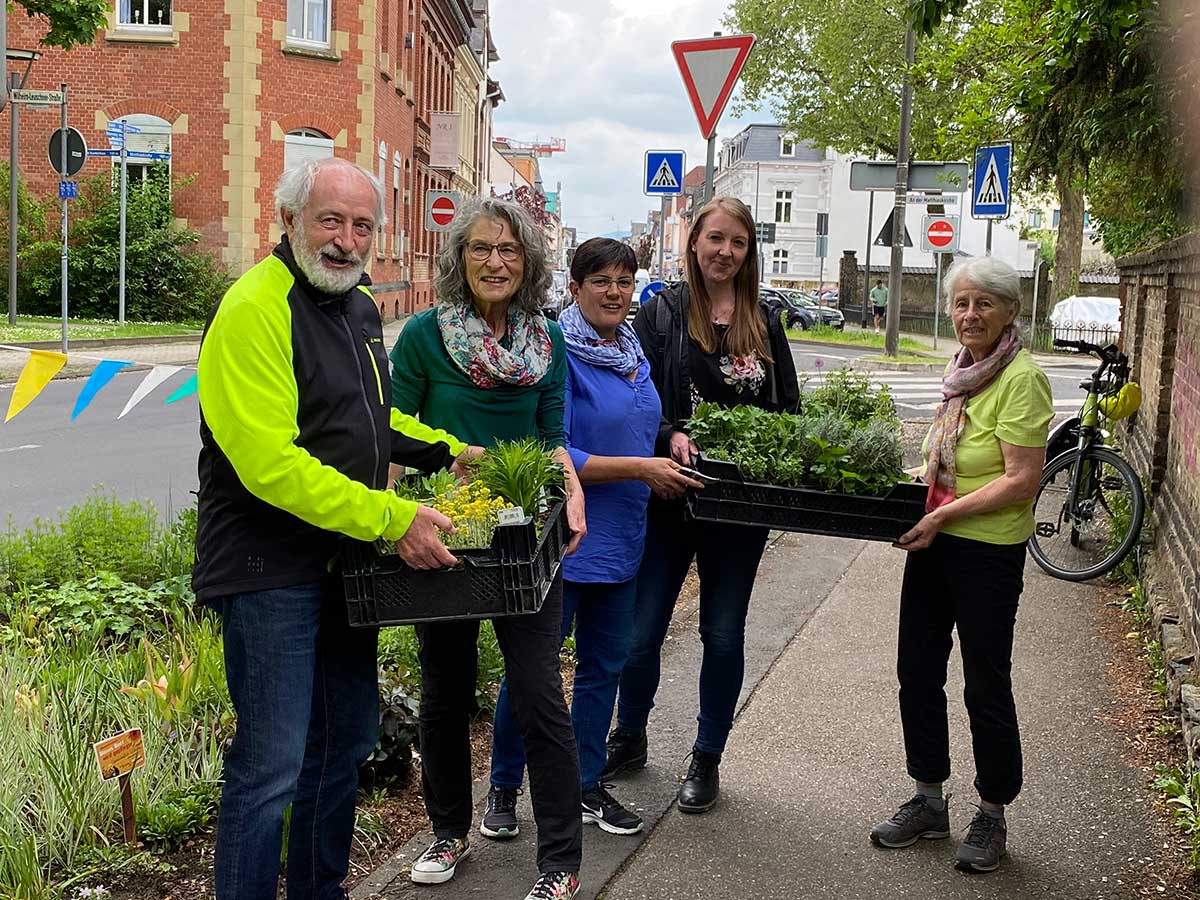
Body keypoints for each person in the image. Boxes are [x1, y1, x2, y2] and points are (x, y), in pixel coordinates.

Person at [194, 157, 478, 900]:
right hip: (268, 570)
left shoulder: (353, 305)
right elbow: (270, 466)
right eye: (331, 220)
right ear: (287, 220)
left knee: (345, 740)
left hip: (339, 565)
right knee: (270, 766)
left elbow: (367, 416)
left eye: (362, 226)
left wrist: (446, 450)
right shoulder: (255, 307)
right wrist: (392, 517)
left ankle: (320, 891)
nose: (348, 240)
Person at [389, 197, 587, 900]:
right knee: (445, 687)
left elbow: (553, 432)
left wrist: (573, 489)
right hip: (445, 531)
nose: (495, 262)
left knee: (537, 689)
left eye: (509, 250)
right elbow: (392, 428)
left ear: (529, 262)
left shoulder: (548, 341)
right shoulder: (422, 336)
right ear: (459, 260)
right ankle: (447, 833)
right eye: (480, 249)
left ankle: (560, 862)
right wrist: (387, 518)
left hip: (524, 532)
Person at [482, 238, 704, 843]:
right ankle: (503, 787)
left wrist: (669, 437)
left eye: (625, 281)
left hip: (625, 538)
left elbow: (637, 423)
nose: (615, 292)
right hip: (567, 540)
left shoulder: (631, 351)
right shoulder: (557, 351)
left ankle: (583, 783)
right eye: (601, 280)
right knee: (534, 672)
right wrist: (640, 469)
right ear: (574, 287)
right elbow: (559, 451)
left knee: (604, 667)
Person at [605, 196, 799, 813]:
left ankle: (706, 756)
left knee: (721, 633)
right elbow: (634, 391)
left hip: (737, 508)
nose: (724, 252)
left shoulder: (764, 320)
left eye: (737, 243)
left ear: (748, 252)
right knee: (641, 635)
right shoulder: (661, 311)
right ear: (694, 243)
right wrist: (669, 433)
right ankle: (628, 736)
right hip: (668, 498)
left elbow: (788, 410)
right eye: (715, 239)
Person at [869, 256, 1052, 873]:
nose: (971, 315)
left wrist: (943, 515)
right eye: (962, 304)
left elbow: (1022, 481)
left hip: (987, 553)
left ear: (1010, 312)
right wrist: (902, 491)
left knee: (985, 685)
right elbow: (943, 464)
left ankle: (993, 814)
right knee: (917, 672)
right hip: (935, 544)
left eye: (985, 304)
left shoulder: (1020, 378)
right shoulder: (961, 373)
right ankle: (928, 800)